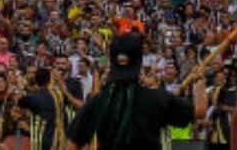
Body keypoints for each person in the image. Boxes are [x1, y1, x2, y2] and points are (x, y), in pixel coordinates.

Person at [61, 34, 204, 150]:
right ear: (139, 63)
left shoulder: (98, 101)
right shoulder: (157, 98)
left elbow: (73, 144)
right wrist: (199, 81)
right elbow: (199, 112)